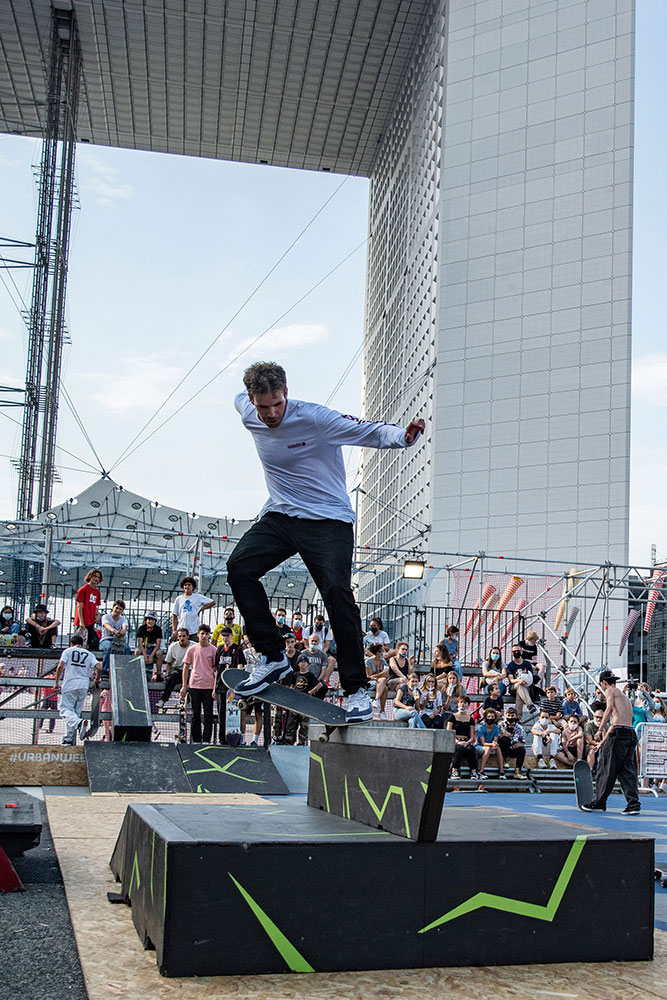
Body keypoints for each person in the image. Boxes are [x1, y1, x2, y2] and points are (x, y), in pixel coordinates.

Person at [225, 361, 424, 723]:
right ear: (251, 399)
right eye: (262, 406)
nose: (270, 414)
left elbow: (364, 430)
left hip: (328, 520)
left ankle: (356, 690)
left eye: (277, 405)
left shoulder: (315, 418)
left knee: (336, 591)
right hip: (282, 515)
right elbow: (240, 400)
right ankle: (271, 656)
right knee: (239, 567)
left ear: (287, 393)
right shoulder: (244, 407)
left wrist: (403, 437)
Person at [580, 669, 640, 814]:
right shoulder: (624, 697)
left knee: (606, 769)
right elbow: (616, 723)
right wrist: (602, 742)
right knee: (627, 771)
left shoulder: (611, 691)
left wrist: (600, 729)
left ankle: (599, 802)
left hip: (618, 734)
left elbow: (609, 710)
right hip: (629, 733)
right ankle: (633, 804)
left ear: (604, 683)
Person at [54, 634, 100, 745]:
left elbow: (60, 666)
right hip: (83, 685)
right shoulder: (89, 654)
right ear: (82, 644)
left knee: (65, 710)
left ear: (71, 643)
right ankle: (69, 738)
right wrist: (97, 679)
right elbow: (99, 667)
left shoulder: (68, 651)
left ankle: (79, 724)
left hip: (70, 684)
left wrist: (56, 682)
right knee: (75, 712)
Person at [181, 623, 217, 743]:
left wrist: (214, 688)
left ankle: (207, 739)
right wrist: (184, 686)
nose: (204, 636)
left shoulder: (214, 650)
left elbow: (216, 669)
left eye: (206, 634)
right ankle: (196, 739)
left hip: (208, 685)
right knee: (195, 714)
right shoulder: (192, 649)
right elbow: (186, 667)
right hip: (194, 685)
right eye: (202, 633)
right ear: (197, 635)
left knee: (208, 714)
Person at [214, 627, 246, 743]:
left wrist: (236, 687)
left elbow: (240, 668)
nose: (225, 638)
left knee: (234, 713)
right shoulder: (219, 650)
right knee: (221, 713)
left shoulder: (237, 649)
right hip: (220, 687)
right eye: (223, 636)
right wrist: (214, 688)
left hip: (232, 688)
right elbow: (216, 669)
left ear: (231, 636)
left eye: (227, 636)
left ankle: (234, 737)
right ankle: (222, 738)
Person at [161, 628, 195, 706]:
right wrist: (167, 675)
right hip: (178, 670)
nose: (182, 638)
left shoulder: (194, 646)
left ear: (188, 636)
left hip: (190, 671)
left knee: (194, 678)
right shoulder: (173, 646)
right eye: (180, 636)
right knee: (173, 675)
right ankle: (163, 699)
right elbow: (168, 663)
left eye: (184, 636)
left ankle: (191, 702)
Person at [447, 694, 477, 778]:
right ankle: (454, 771)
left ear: (468, 705)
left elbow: (472, 736)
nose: (462, 704)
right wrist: (457, 742)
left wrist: (467, 742)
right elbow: (449, 733)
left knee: (470, 749)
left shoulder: (470, 719)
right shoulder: (452, 717)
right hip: (455, 741)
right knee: (459, 749)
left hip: (465, 741)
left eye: (464, 703)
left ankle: (474, 771)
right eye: (460, 702)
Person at [73, 569, 103, 650]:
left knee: (90, 643)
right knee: (77, 643)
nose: (96, 579)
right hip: (82, 621)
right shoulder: (83, 589)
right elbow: (79, 605)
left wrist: (97, 615)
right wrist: (81, 622)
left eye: (98, 577)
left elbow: (96, 606)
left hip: (91, 622)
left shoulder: (97, 592)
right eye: (94, 576)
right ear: (90, 577)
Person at [99, 600, 129, 674]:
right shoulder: (105, 617)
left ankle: (126, 670)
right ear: (113, 608)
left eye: (120, 609)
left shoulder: (123, 619)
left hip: (118, 641)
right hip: (105, 640)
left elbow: (124, 627)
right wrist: (115, 631)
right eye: (117, 608)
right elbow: (106, 625)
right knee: (109, 647)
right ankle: (104, 671)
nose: (118, 610)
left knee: (127, 648)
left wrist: (122, 632)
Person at [498, 707, 528, 778]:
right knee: (506, 739)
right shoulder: (501, 725)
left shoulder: (519, 728)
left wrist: (519, 745)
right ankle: (506, 759)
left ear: (516, 716)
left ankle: (518, 771)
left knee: (522, 750)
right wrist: (503, 735)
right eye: (508, 715)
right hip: (502, 748)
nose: (510, 717)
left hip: (513, 748)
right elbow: (495, 737)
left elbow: (523, 740)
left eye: (512, 716)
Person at [475, 709, 505, 779]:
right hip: (479, 746)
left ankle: (501, 771)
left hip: (490, 746)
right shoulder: (481, 727)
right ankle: (481, 771)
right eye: (489, 717)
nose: (490, 718)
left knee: (498, 748)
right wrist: (492, 745)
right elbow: (483, 743)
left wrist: (494, 744)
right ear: (485, 718)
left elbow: (495, 740)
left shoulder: (496, 728)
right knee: (488, 748)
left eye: (492, 717)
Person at [366, 642, 389, 717]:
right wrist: (381, 674)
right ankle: (378, 704)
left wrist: (381, 675)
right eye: (382, 651)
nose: (383, 652)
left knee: (385, 687)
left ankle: (381, 710)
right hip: (370, 682)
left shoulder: (383, 661)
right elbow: (369, 676)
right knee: (383, 682)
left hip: (380, 683)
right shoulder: (368, 661)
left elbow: (386, 674)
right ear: (378, 652)